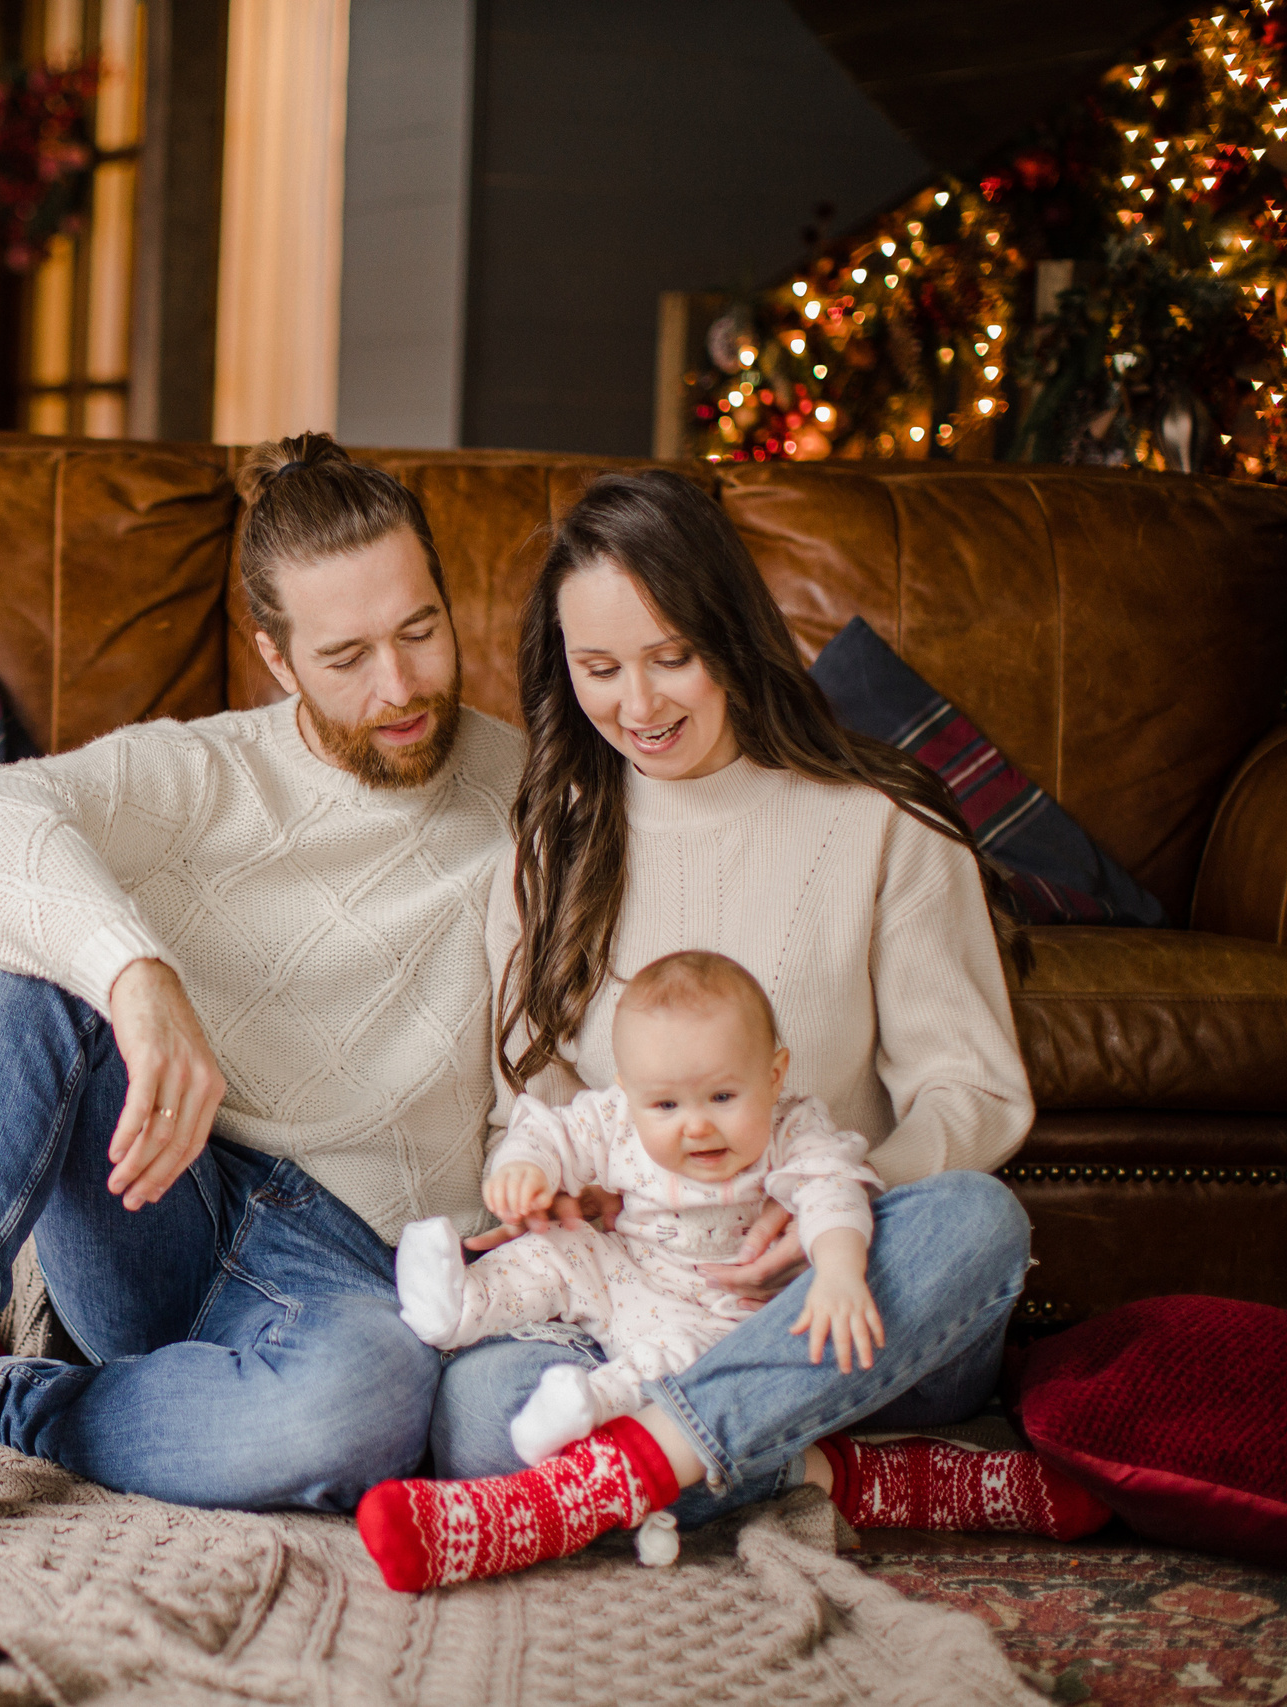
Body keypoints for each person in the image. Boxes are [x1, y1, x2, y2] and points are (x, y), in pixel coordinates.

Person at [0, 433, 528, 1580]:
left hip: (361, 1280)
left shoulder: (534, 792)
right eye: (346, 655)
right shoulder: (209, 773)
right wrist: (132, 972)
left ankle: (7, 1401)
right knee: (36, 952)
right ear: (276, 656)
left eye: (420, 633)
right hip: (162, 1211)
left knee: (369, 1406)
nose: (399, 688)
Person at [360, 468, 1100, 1591]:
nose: (638, 706)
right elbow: (540, 1097)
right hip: (645, 1300)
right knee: (477, 1419)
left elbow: (972, 1092)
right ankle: (835, 1473)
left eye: (671, 658)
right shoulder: (556, 839)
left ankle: (624, 1476)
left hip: (839, 1303)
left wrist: (828, 1217)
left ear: (734, 637)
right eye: (598, 669)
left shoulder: (879, 824)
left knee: (979, 1225)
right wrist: (560, 1188)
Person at [393, 950, 886, 1476]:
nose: (696, 1126)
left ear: (774, 1075)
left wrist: (838, 1270)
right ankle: (457, 1306)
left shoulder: (793, 1129)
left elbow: (833, 1190)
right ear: (628, 1093)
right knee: (558, 1248)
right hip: (625, 1270)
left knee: (685, 1364)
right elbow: (554, 1133)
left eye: (722, 1096)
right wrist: (525, 1169)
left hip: (719, 1313)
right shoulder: (620, 1118)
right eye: (666, 1106)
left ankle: (584, 1406)